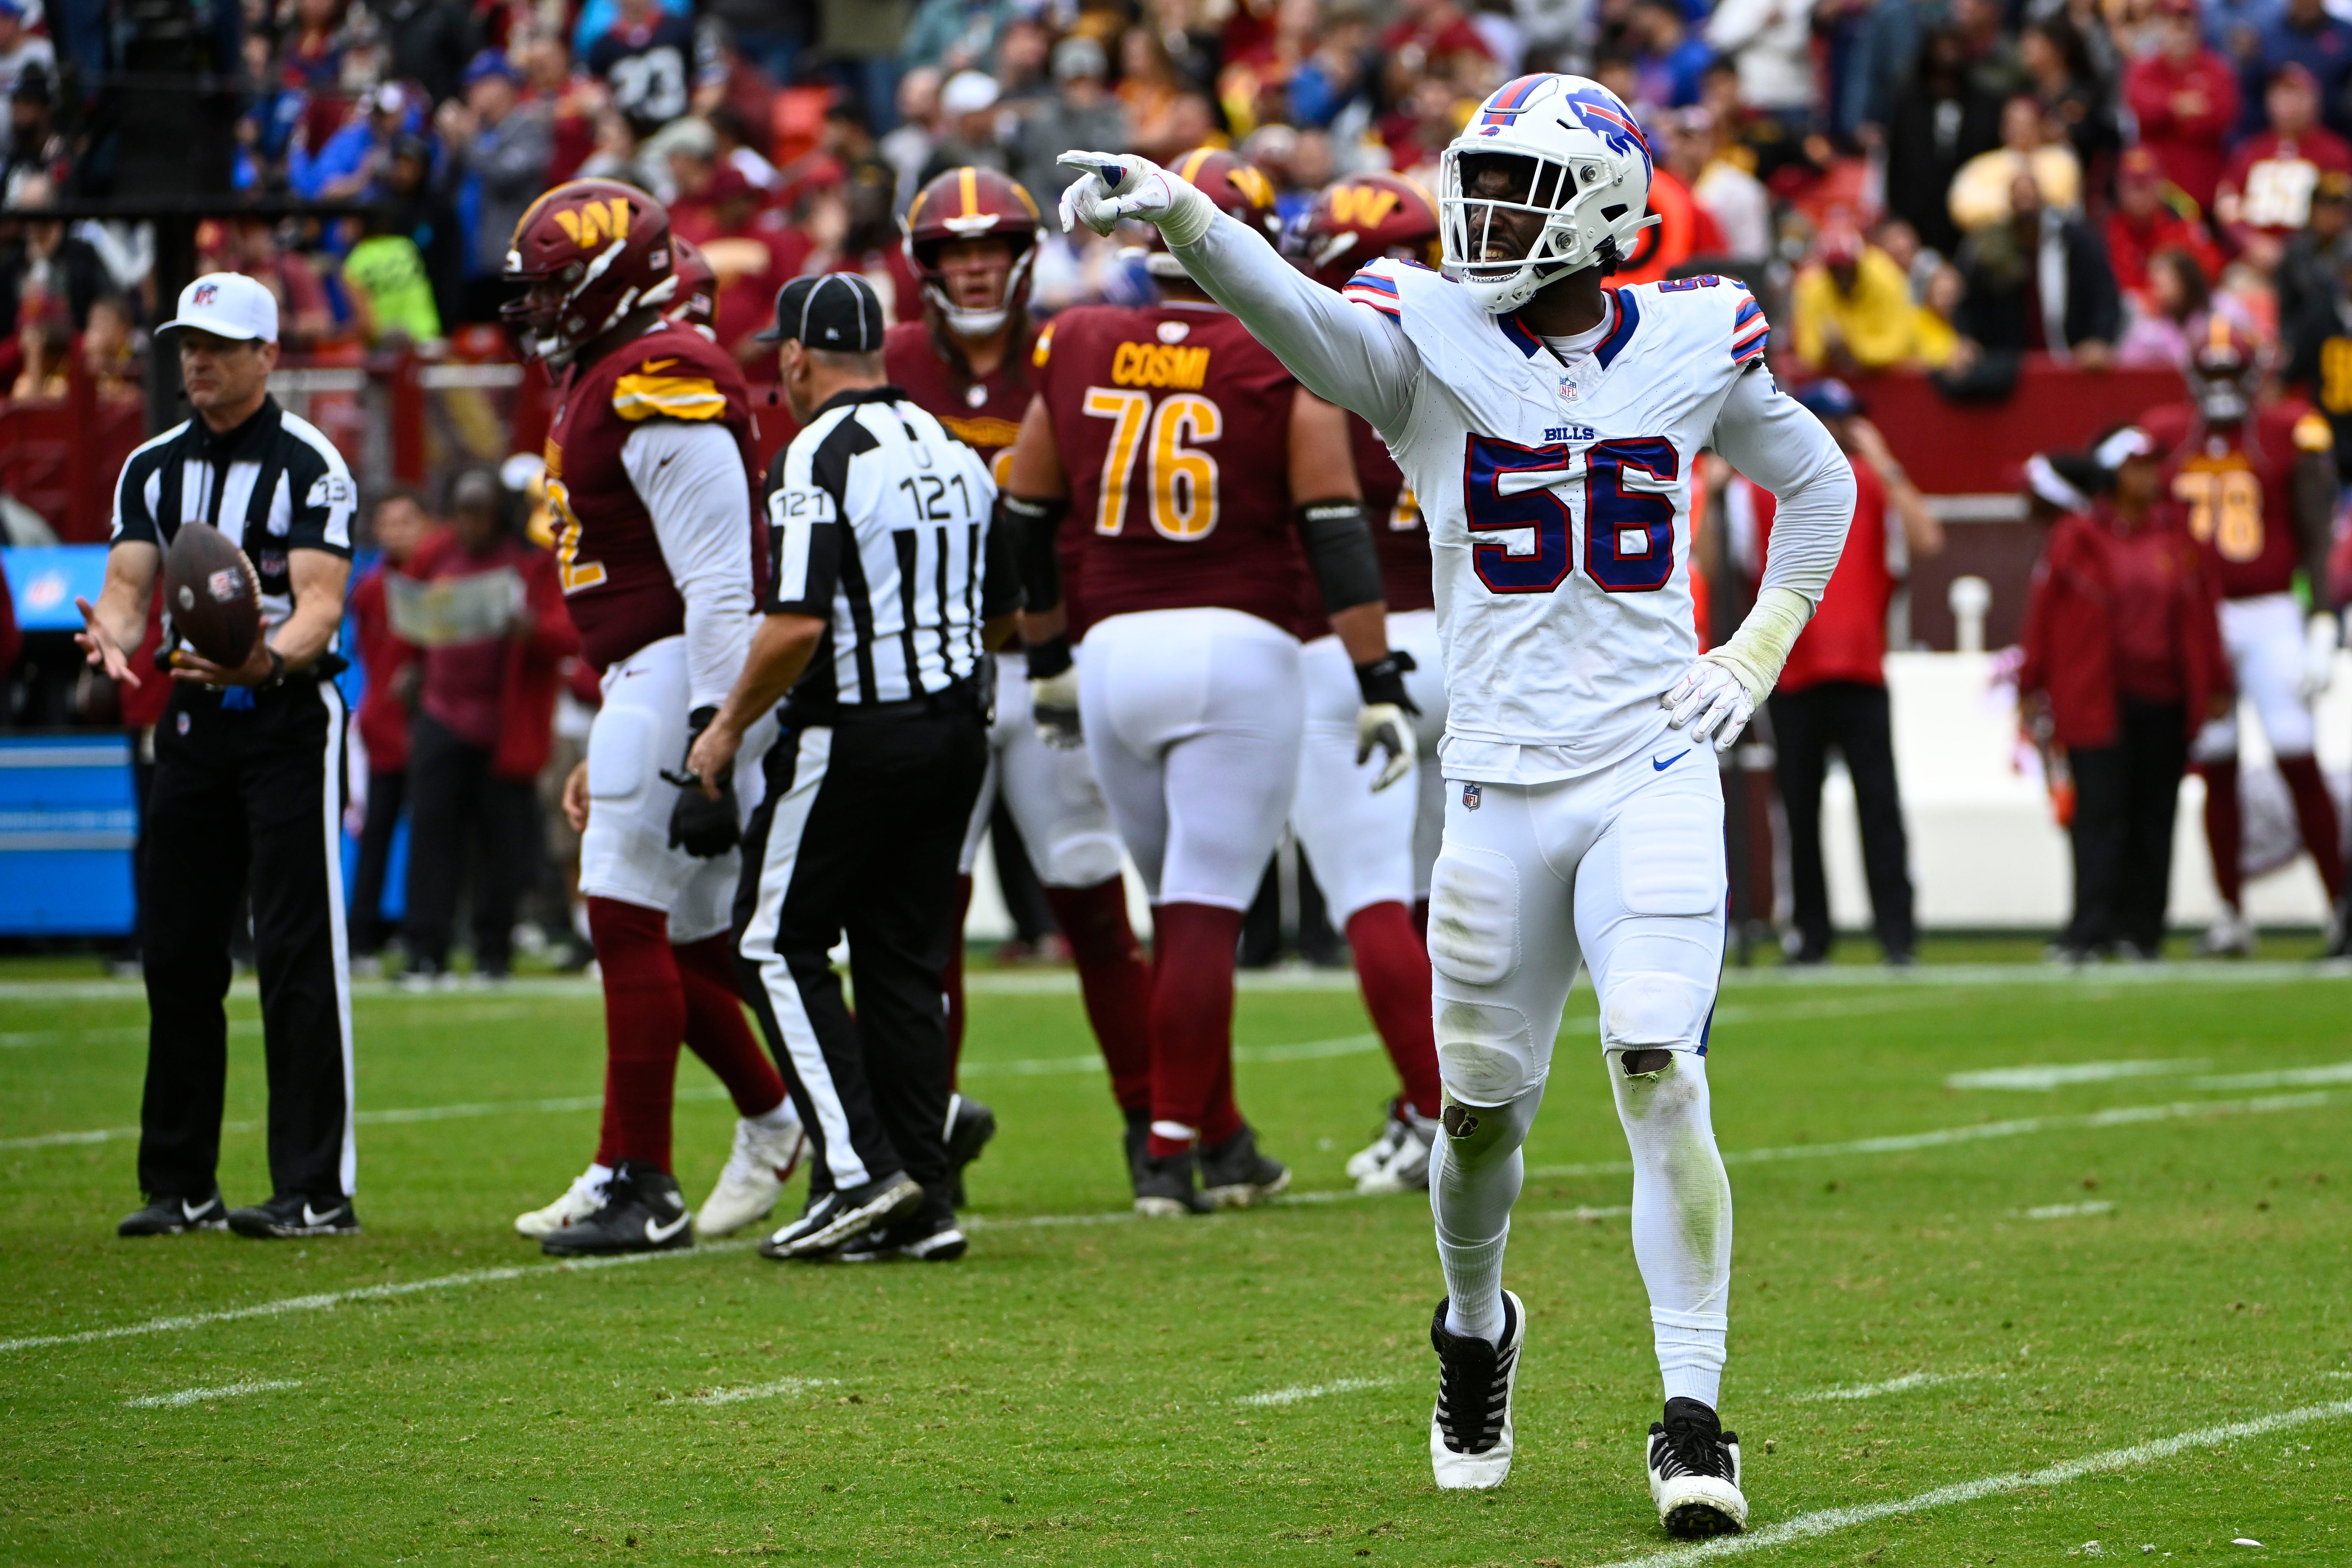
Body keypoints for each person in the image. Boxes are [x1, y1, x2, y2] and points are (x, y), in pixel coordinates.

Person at [1055, 70, 1854, 1530]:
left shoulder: (1688, 337)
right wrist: (1181, 209)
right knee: (1477, 1121)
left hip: (1649, 768)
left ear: (1604, 210)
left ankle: (1693, 1416)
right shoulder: (1422, 339)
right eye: (1474, 181)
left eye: (1515, 190)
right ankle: (1475, 1327)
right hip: (1492, 788)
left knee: (1656, 1063)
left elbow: (1820, 486)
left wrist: (1753, 648)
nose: (1477, 212)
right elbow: (1289, 309)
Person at [1008, 150, 1413, 1217]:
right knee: (1203, 915)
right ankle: (1170, 1144)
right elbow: (1333, 521)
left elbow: (1027, 512)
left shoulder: (1081, 337)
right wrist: (1374, 674)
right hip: (1240, 648)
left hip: (1112, 656)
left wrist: (1046, 656)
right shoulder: (1276, 354)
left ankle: (1219, 1135)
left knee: (1176, 910)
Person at [684, 272, 1017, 1264]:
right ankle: (926, 1195)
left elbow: (796, 623)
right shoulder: (957, 449)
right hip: (958, 728)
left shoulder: (811, 458)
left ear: (794, 357)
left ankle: (863, 1173)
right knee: (902, 964)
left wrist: (725, 729)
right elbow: (1008, 605)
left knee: (771, 944)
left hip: (855, 733)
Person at [501, 180, 807, 1255]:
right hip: (652, 673)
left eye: (550, 290)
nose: (534, 310)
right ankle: (772, 1120)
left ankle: (644, 1176)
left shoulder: (659, 374)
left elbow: (721, 582)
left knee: (629, 922)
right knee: (680, 940)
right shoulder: (611, 371)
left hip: (687, 668)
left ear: (604, 283)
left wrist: (710, 738)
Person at [76, 272, 363, 1240]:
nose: (196, 360)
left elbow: (321, 602)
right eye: (187, 343)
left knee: (294, 953)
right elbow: (127, 586)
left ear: (266, 356)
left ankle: (315, 1189)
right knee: (179, 951)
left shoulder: (311, 463)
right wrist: (111, 635)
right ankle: (180, 1183)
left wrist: (263, 656)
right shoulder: (154, 467)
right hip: (194, 721)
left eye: (218, 345)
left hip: (286, 720)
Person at [890, 165, 1152, 1191]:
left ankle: (1153, 1123)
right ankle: (926, 1135)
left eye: (991, 249)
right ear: (925, 268)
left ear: (1023, 256)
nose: (974, 268)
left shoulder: (1068, 350)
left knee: (1091, 901)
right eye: (955, 253)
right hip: (933, 668)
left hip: (1046, 663)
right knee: (926, 918)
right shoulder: (892, 361)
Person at [1286, 171, 1450, 1195]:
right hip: (1469, 646)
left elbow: (1315, 519)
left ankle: (1442, 1112)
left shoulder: (1316, 371)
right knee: (1445, 903)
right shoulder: (1478, 354)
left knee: (1370, 899)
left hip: (1359, 650)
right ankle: (1425, 1104)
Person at [2142, 324, 2344, 955]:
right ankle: (2230, 913)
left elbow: (2316, 529)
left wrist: (2323, 620)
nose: (2224, 387)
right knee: (2217, 763)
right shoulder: (2168, 435)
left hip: (2273, 611)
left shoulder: (2288, 430)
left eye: (2235, 373)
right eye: (2214, 373)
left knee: (2295, 752)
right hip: (2203, 618)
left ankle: (2341, 904)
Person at [1741, 380, 1943, 965]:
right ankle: (1811, 933)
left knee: (1878, 805)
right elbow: (1718, 561)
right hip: (1794, 669)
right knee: (1799, 812)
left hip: (1859, 668)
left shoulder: (1872, 483)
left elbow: (1928, 539)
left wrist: (1886, 465)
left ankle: (1897, 933)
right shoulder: (1765, 489)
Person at [2018, 428, 2226, 960]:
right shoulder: (2078, 536)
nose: (2148, 477)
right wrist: (2032, 682)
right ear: (2113, 475)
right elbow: (2045, 613)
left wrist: (2216, 681)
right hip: (2096, 697)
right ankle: (2089, 927)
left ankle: (2142, 929)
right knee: (2096, 815)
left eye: (2151, 466)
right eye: (2136, 467)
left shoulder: (2176, 536)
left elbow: (2202, 616)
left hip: (2164, 697)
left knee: (2154, 816)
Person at [397, 469, 578, 986]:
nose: (469, 523)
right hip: (442, 714)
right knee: (432, 836)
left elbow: (566, 633)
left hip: (506, 726)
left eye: (479, 511)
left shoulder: (532, 564)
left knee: (503, 845)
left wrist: (531, 629)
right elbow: (408, 613)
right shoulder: (436, 555)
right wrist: (410, 663)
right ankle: (425, 949)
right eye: (461, 511)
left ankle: (492, 950)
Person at [346, 487, 432, 970]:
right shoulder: (372, 588)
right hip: (385, 727)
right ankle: (361, 937)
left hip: (430, 727)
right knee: (376, 830)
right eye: (390, 523)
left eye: (408, 521)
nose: (399, 532)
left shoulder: (436, 578)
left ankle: (427, 933)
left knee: (431, 836)